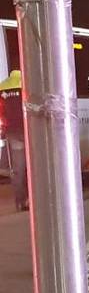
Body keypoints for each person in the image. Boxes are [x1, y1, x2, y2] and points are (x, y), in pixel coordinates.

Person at [0, 69, 28, 211]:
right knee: (34, 166)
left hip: (12, 131)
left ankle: (20, 202)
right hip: (29, 130)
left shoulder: (3, 86)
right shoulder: (27, 83)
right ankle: (34, 200)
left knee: (18, 168)